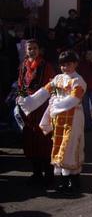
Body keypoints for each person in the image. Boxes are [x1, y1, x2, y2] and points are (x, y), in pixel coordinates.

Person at [18, 50, 87, 195]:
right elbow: (43, 92)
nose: (65, 67)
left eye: (68, 64)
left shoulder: (78, 80)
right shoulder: (57, 79)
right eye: (62, 65)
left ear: (75, 64)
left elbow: (74, 99)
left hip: (73, 118)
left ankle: (75, 181)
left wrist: (56, 106)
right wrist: (27, 101)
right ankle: (64, 181)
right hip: (58, 118)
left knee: (71, 147)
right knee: (59, 145)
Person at [17, 39, 55, 186]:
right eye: (29, 49)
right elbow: (21, 84)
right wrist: (21, 98)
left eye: (34, 48)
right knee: (30, 140)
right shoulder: (23, 66)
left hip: (41, 107)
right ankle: (37, 173)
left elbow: (50, 86)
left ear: (39, 50)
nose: (32, 51)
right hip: (28, 109)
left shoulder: (46, 66)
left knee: (44, 140)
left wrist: (36, 99)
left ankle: (49, 175)